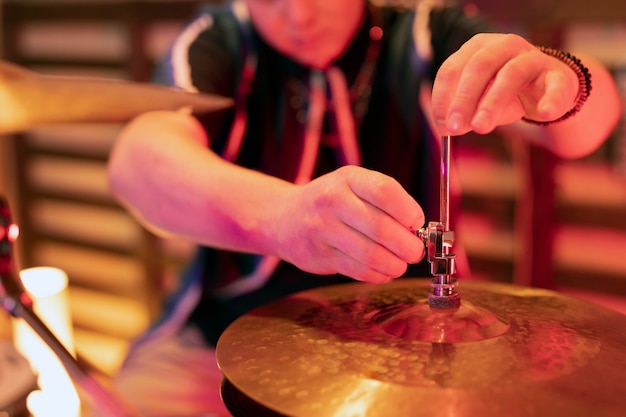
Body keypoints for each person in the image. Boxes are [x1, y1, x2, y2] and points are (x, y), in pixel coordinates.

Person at [107, 0, 621, 416]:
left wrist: (564, 84)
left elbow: (585, 125)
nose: (298, 15)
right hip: (221, 336)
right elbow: (137, 160)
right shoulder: (219, 40)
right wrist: (281, 217)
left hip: (424, 339)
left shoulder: (423, 31)